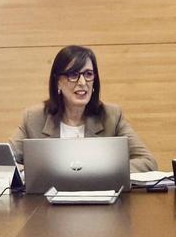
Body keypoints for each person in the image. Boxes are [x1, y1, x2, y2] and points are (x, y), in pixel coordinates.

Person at [10, 45, 156, 172]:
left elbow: (147, 162)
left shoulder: (111, 116)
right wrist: (41, 173)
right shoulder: (34, 118)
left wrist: (102, 172)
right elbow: (6, 163)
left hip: (101, 203)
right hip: (47, 202)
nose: (82, 82)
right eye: (73, 75)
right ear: (58, 82)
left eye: (88, 74)